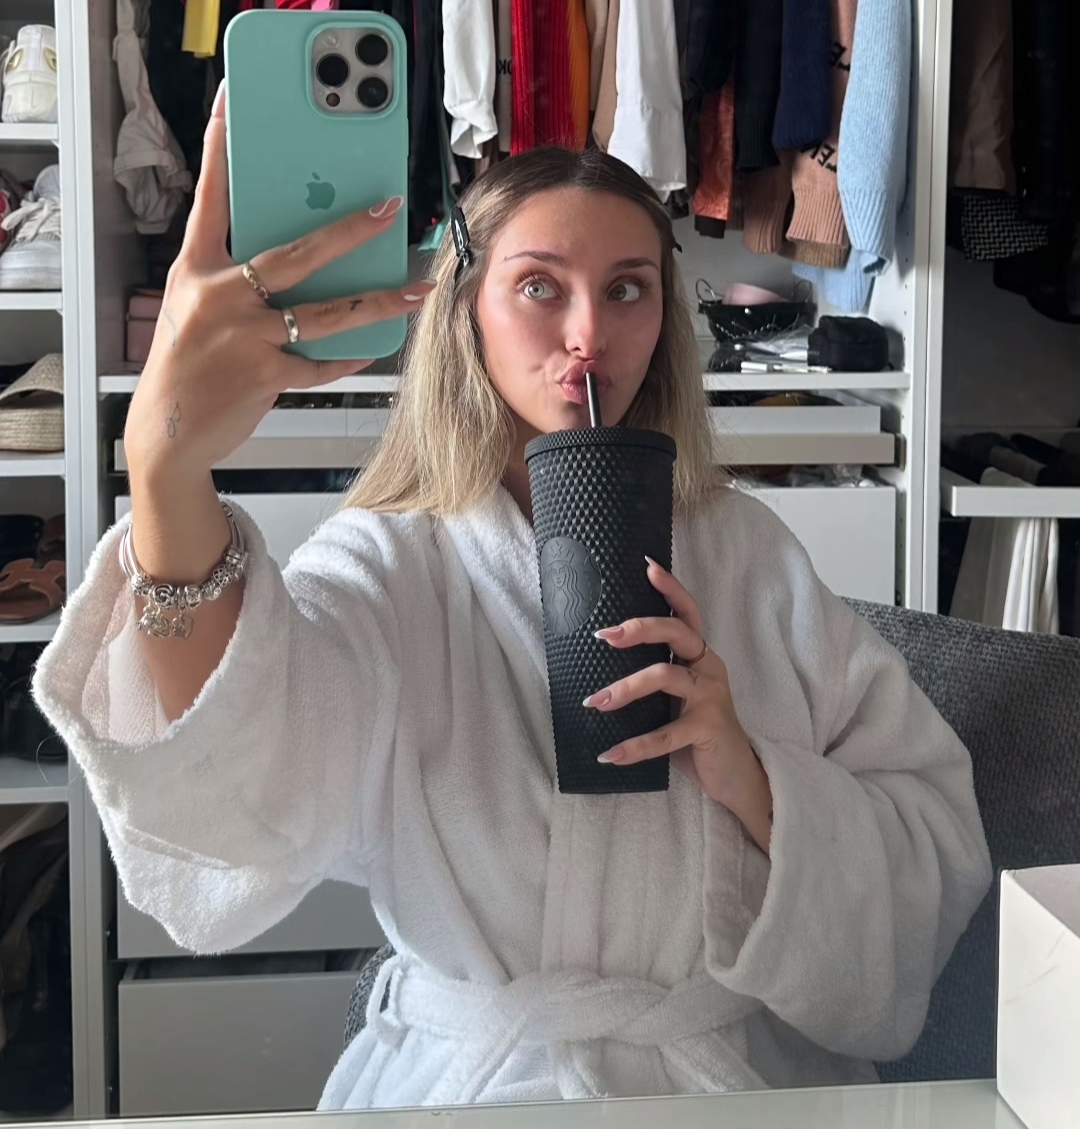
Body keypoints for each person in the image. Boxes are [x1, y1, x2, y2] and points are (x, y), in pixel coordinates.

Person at [32, 86, 992, 1108]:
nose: (589, 334)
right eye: (540, 286)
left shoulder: (747, 552)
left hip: (733, 1079)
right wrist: (167, 478)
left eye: (627, 290)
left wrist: (750, 773)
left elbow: (931, 838)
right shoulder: (393, 561)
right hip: (482, 1085)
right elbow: (244, 777)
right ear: (467, 314)